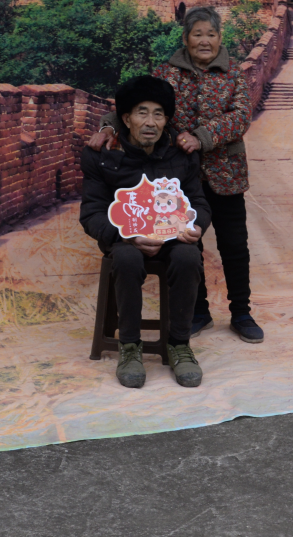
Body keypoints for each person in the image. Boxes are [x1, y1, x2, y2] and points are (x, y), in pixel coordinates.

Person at [91, 7, 263, 343]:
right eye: (197, 34)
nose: (204, 41)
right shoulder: (167, 72)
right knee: (187, 243)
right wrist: (108, 126)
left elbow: (241, 116)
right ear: (185, 38)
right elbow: (136, 99)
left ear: (220, 38)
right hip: (179, 177)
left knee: (234, 246)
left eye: (211, 34)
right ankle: (198, 312)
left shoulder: (233, 74)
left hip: (226, 175)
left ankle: (241, 313)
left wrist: (201, 137)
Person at [81, 75, 213, 389]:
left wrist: (196, 225)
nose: (151, 122)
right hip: (124, 238)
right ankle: (129, 347)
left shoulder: (182, 156)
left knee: (188, 256)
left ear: (167, 120)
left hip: (173, 238)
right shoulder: (102, 156)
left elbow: (198, 203)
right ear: (126, 119)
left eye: (158, 114)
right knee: (126, 259)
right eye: (142, 113)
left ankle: (179, 344)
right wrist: (123, 235)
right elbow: (91, 213)